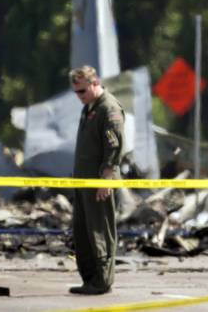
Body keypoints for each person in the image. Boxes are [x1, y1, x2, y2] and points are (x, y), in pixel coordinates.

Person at [68, 65, 124, 295]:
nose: (79, 97)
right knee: (82, 232)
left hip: (100, 181)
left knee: (100, 231)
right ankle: (89, 279)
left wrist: (106, 178)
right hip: (84, 182)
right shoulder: (88, 107)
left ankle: (102, 281)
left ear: (94, 83)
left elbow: (114, 145)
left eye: (82, 91)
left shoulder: (108, 108)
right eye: (76, 92)